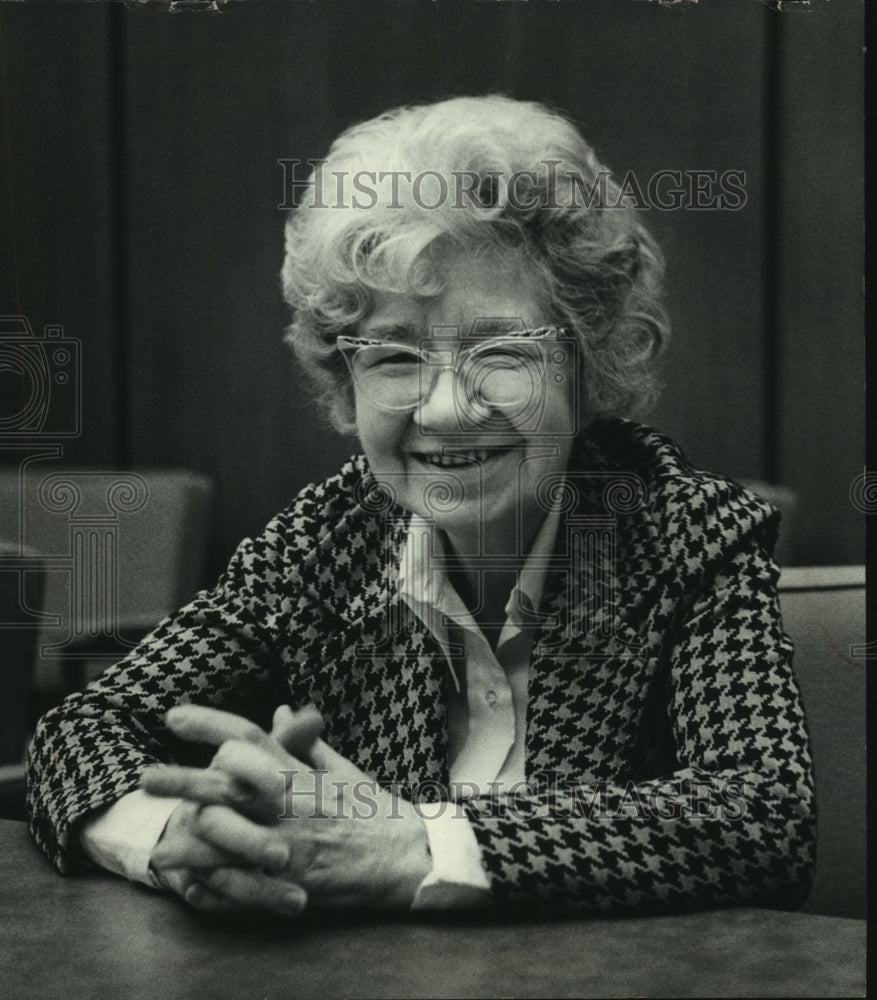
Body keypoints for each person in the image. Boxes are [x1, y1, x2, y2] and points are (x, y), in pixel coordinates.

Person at [26, 95, 816, 918]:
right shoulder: (320, 543)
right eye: (395, 356)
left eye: (499, 352)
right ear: (344, 377)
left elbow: (764, 816)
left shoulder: (689, 535)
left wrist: (415, 845)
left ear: (586, 365)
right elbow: (85, 727)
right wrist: (173, 840)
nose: (443, 409)